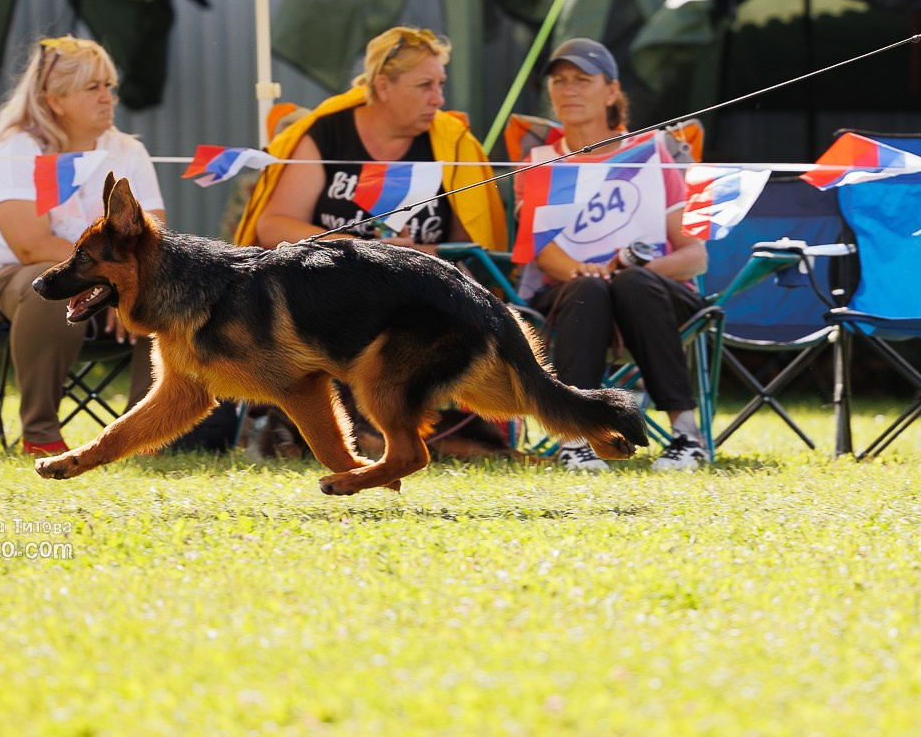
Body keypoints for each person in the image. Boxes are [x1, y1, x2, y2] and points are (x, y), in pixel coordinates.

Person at [0, 36, 164, 457]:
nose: (108, 97)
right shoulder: (19, 149)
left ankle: (144, 436)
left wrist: (120, 288)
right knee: (50, 289)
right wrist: (106, 280)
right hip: (7, 290)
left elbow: (152, 241)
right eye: (93, 87)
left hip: (103, 279)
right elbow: (28, 244)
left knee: (166, 292)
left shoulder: (128, 151)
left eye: (109, 86)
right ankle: (40, 434)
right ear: (54, 100)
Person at [518, 39, 710, 472]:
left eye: (582, 80)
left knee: (632, 282)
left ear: (611, 91)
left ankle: (686, 437)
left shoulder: (657, 152)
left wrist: (624, 272)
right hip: (569, 296)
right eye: (559, 80)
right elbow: (543, 254)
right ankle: (577, 438)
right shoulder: (539, 162)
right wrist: (589, 273)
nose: (568, 90)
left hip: (657, 295)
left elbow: (696, 256)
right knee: (588, 286)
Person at [237, 27, 506, 252]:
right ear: (383, 87)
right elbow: (274, 225)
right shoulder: (328, 131)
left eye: (441, 84)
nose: (439, 98)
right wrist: (360, 250)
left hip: (422, 297)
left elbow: (472, 252)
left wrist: (408, 255)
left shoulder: (455, 144)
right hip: (332, 290)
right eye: (425, 85)